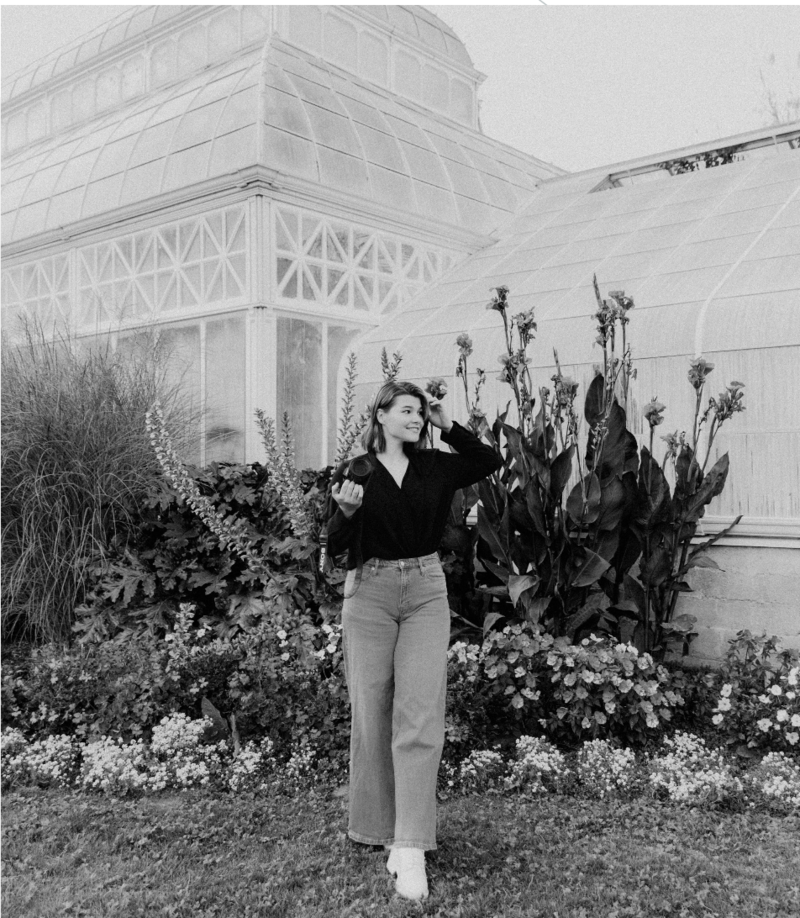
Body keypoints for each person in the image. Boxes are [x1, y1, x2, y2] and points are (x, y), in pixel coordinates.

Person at [325, 379, 501, 901]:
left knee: (421, 713)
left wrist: (451, 426)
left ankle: (411, 846)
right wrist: (346, 513)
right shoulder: (355, 471)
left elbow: (487, 459)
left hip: (425, 589)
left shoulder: (435, 465)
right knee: (372, 709)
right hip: (370, 592)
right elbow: (333, 547)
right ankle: (382, 832)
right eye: (408, 410)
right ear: (380, 415)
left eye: (421, 413)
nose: (417, 419)